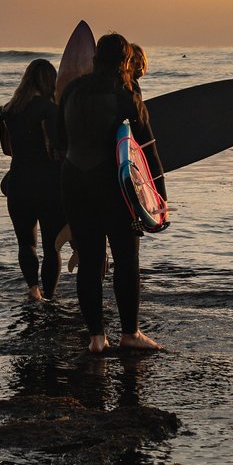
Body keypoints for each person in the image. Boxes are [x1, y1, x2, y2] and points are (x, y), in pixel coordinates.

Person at [59, 32, 164, 353]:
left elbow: (61, 139)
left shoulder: (73, 90)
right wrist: (159, 196)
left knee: (90, 260)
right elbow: (146, 148)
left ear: (95, 58)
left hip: (74, 180)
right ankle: (130, 334)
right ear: (125, 62)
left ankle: (95, 339)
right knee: (126, 259)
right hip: (113, 187)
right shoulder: (126, 94)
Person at [0, 58, 65, 300]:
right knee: (51, 247)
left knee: (26, 244)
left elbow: (7, 150)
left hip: (19, 184)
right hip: (49, 186)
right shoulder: (50, 110)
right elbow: (61, 146)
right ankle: (49, 297)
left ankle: (33, 291)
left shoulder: (7, 110)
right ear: (50, 81)